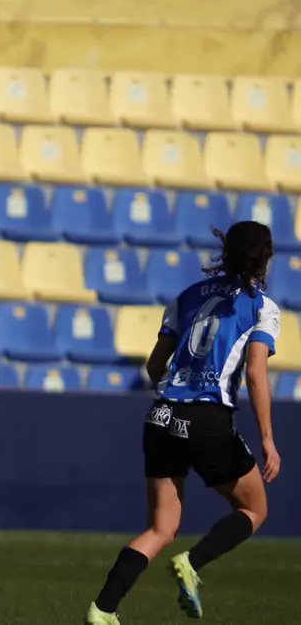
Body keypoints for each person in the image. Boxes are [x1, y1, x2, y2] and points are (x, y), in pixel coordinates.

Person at [85, 221, 282, 625]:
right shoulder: (261, 307)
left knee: (160, 526)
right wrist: (267, 439)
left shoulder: (186, 297)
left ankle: (103, 609)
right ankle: (192, 563)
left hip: (161, 416)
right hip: (208, 419)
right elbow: (256, 375)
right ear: (264, 259)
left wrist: (182, 384)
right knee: (254, 508)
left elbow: (155, 365)